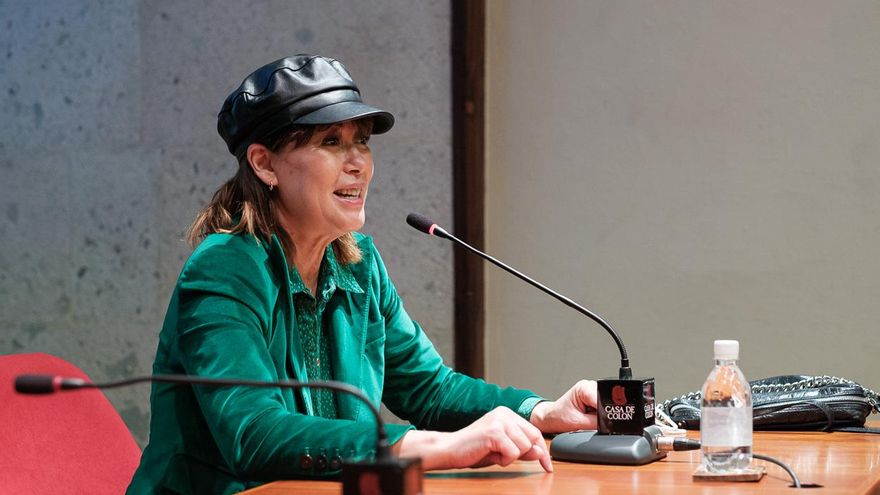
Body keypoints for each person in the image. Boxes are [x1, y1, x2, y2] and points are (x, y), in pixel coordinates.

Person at [127, 55, 598, 495]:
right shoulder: (225, 266)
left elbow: (428, 388)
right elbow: (255, 433)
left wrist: (542, 412)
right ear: (264, 163)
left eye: (362, 141)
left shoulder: (358, 264)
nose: (358, 163)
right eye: (331, 142)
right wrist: (426, 447)